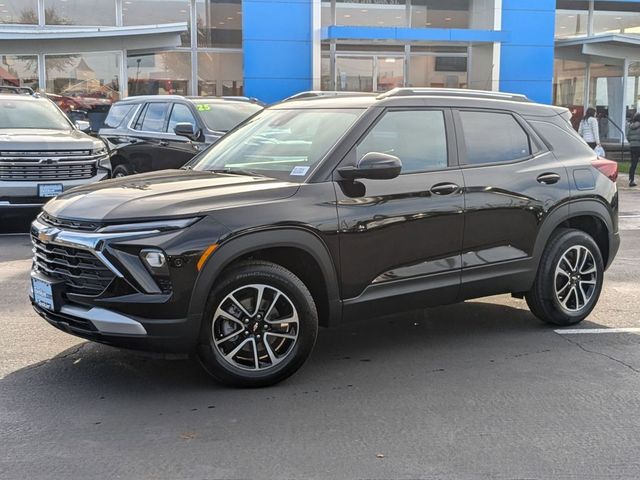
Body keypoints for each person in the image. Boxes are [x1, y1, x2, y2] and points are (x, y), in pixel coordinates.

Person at [626, 112, 640, 187]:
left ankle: (631, 180)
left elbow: (628, 137)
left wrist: (632, 142)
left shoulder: (630, 126)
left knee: (633, 164)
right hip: (639, 146)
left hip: (632, 147)